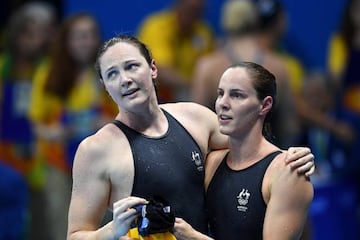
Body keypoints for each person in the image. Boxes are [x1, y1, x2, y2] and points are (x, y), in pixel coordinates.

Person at [67, 34, 315, 240]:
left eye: (132, 66)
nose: (125, 80)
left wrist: (290, 157)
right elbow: (75, 235)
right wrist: (111, 231)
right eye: (112, 74)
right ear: (105, 85)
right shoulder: (96, 150)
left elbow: (252, 151)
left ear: (153, 69)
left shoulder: (194, 118)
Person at [173, 62, 313, 240]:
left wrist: (194, 238)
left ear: (264, 105)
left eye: (237, 95)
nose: (223, 103)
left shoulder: (287, 172)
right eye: (220, 93)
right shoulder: (212, 163)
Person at [28, 13, 117, 240]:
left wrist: (109, 123)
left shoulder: (110, 69)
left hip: (99, 161)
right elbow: (35, 121)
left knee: (103, 222)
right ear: (66, 41)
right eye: (78, 36)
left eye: (89, 36)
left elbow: (125, 116)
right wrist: (52, 132)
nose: (85, 42)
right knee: (61, 221)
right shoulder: (49, 72)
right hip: (57, 161)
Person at [191, 0, 299, 148]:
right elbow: (288, 126)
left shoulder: (207, 67)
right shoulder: (279, 66)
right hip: (269, 160)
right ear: (255, 21)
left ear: (225, 23)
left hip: (222, 160)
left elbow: (196, 125)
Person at [137, 0, 215, 102]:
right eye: (190, 9)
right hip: (158, 96)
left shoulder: (203, 32)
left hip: (192, 95)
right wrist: (193, 85)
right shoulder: (157, 27)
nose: (193, 15)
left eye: (198, 11)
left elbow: (211, 68)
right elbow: (160, 70)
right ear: (178, 5)